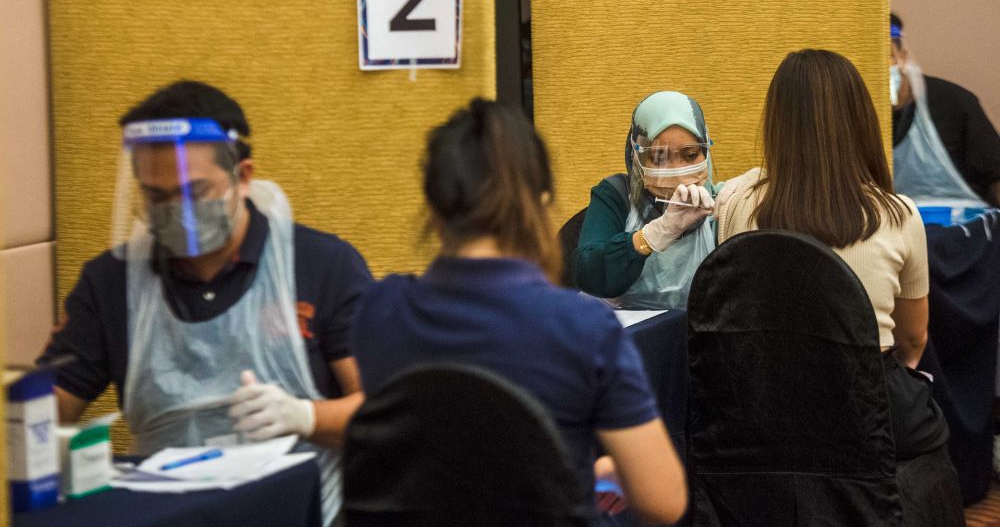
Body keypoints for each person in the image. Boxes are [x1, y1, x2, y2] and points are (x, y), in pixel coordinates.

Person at [37, 80, 371, 522]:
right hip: (169, 514)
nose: (177, 212)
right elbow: (47, 407)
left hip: (296, 512)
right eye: (157, 197)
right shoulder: (111, 282)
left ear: (243, 178)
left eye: (194, 193)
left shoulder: (322, 265)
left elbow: (383, 411)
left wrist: (305, 416)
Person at [350, 98, 688, 524]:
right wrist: (594, 472)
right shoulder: (584, 329)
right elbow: (664, 500)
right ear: (540, 201)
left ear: (433, 209)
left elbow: (441, 455)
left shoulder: (378, 312)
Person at [716, 50, 962, 523]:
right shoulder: (899, 214)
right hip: (871, 413)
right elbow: (913, 340)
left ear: (777, 121)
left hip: (765, 413)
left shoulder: (738, 205)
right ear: (860, 119)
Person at [572, 91, 716, 310]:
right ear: (636, 156)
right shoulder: (617, 194)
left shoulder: (721, 205)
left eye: (690, 155)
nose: (677, 170)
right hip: (634, 338)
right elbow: (587, 272)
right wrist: (652, 235)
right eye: (659, 157)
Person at [891, 12, 1000, 208]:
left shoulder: (953, 103)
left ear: (902, 56)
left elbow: (995, 174)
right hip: (895, 227)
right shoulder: (847, 112)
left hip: (964, 229)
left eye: (889, 56)